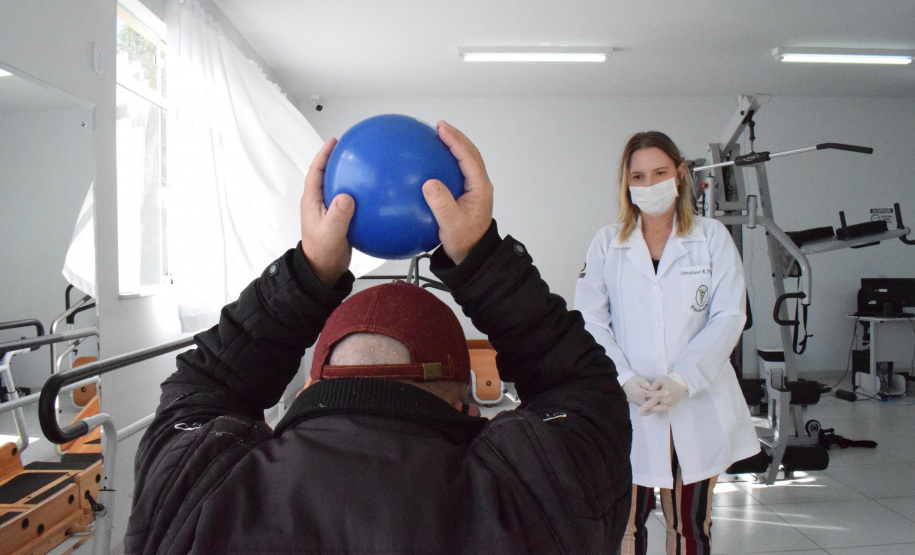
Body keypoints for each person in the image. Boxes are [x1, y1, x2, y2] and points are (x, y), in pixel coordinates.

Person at [126, 121, 633, 554]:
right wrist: (481, 258)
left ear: (307, 392)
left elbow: (202, 386)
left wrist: (311, 269)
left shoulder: (200, 500)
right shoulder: (533, 503)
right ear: (470, 411)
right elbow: (588, 391)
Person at [574, 131, 759, 555]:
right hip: (628, 406)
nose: (649, 183)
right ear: (626, 183)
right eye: (638, 175)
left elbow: (730, 315)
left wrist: (683, 379)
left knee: (691, 527)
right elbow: (590, 320)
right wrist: (624, 378)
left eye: (659, 172)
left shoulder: (712, 238)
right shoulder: (607, 243)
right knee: (623, 526)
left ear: (679, 174)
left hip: (695, 401)